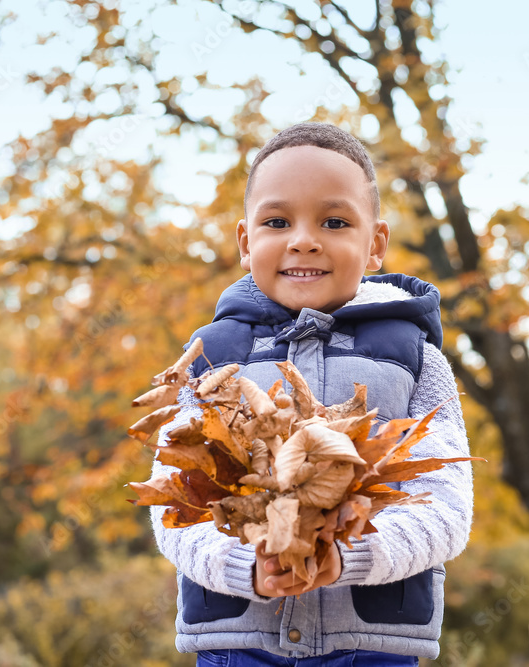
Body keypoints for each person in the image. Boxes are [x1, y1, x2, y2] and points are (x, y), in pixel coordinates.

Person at [148, 121, 474, 666]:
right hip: (239, 648)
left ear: (375, 245)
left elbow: (445, 503)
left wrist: (351, 554)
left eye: (334, 221)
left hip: (369, 649)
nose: (304, 238)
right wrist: (244, 563)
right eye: (278, 221)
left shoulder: (416, 360)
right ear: (246, 241)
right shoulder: (208, 359)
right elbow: (175, 497)